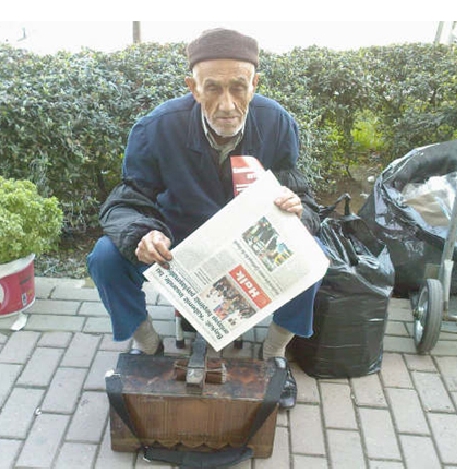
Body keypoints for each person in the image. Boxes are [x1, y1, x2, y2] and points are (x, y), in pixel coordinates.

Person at [87, 28, 325, 410]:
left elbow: (299, 191)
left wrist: (298, 209)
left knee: (312, 253)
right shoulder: (156, 128)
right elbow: (128, 199)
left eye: (238, 88)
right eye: (212, 88)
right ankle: (147, 346)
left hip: (249, 242)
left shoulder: (277, 122)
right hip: (178, 240)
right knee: (105, 257)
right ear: (193, 88)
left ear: (254, 85)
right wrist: (143, 234)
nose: (227, 105)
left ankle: (274, 352)